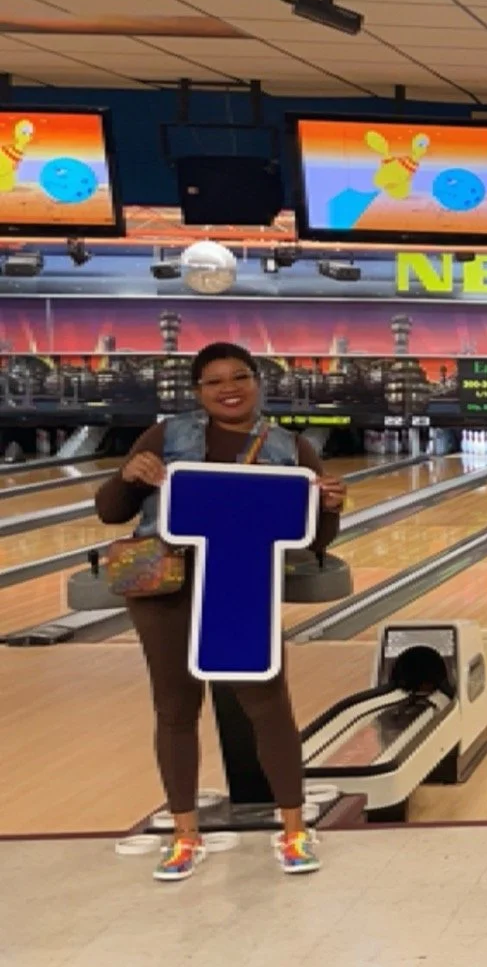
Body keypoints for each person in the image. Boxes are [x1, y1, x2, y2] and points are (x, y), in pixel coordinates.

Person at [94, 342, 346, 881]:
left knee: (267, 704)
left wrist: (330, 508)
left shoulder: (291, 448)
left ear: (257, 381)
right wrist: (128, 474)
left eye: (240, 377)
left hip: (241, 585)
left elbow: (314, 543)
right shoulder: (167, 436)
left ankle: (295, 829)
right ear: (198, 391)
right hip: (167, 591)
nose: (228, 388)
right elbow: (111, 512)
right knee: (175, 706)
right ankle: (186, 837)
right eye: (213, 381)